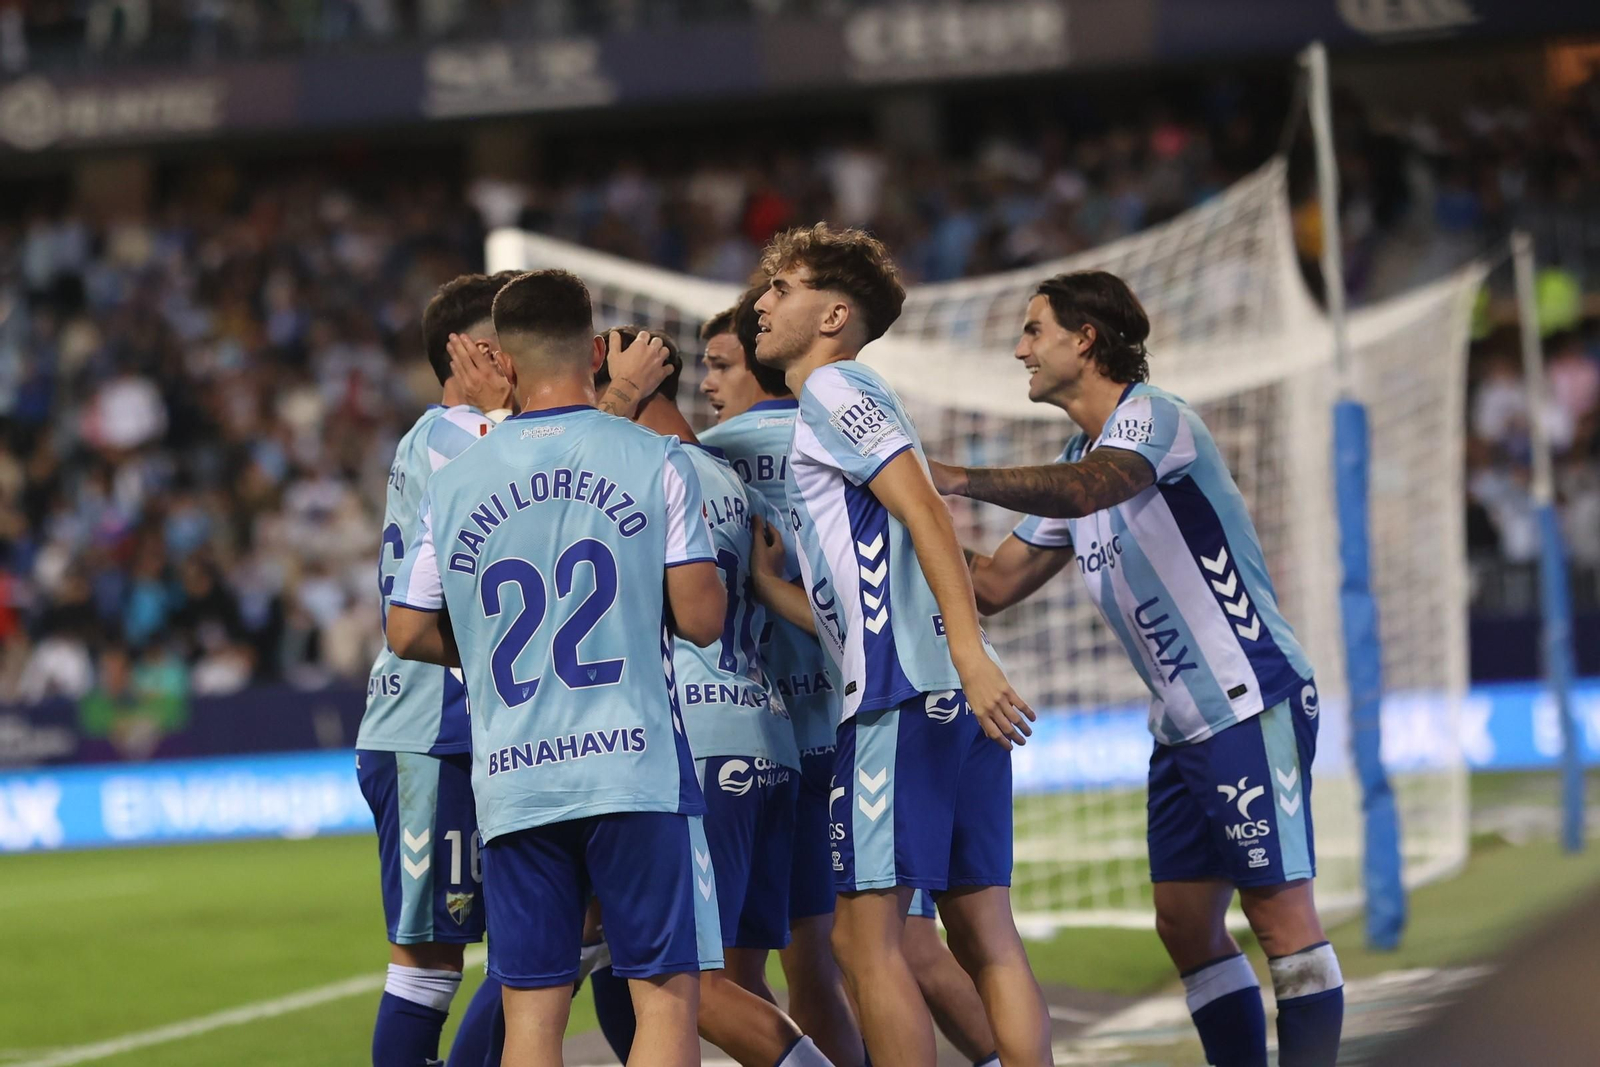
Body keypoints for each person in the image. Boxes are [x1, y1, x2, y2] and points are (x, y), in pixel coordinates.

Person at [929, 270, 1344, 1067]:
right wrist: (901, 512)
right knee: (1184, 921)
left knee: (1280, 913)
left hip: (1247, 698)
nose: (1021, 348)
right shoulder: (1078, 453)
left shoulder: (1153, 419)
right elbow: (994, 584)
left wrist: (950, 476)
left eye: (1033, 330)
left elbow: (1090, 492)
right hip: (1182, 724)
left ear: (1084, 339)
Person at [385, 269, 726, 1067]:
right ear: (599, 349)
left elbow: (405, 629)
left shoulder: (456, 478)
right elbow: (705, 619)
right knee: (664, 1003)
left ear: (502, 361)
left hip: (513, 775)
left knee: (532, 1014)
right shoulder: (653, 457)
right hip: (632, 768)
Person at [745, 223, 1052, 1067]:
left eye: (783, 288)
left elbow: (927, 512)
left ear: (834, 312)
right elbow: (871, 589)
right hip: (942, 698)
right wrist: (777, 592)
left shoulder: (836, 390)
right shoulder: (855, 398)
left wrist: (969, 653)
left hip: (899, 700)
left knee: (862, 940)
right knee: (985, 934)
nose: (762, 302)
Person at [700, 289, 1000, 1067]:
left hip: (853, 715)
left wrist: (970, 655)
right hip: (886, 702)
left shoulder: (820, 399)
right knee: (933, 940)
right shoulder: (826, 421)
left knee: (845, 949)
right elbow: (860, 602)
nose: (710, 383)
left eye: (718, 363)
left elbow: (928, 512)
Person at [585, 326, 833, 1067]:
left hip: (697, 746)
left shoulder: (637, 472)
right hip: (768, 738)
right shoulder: (726, 478)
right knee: (744, 978)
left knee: (687, 982)